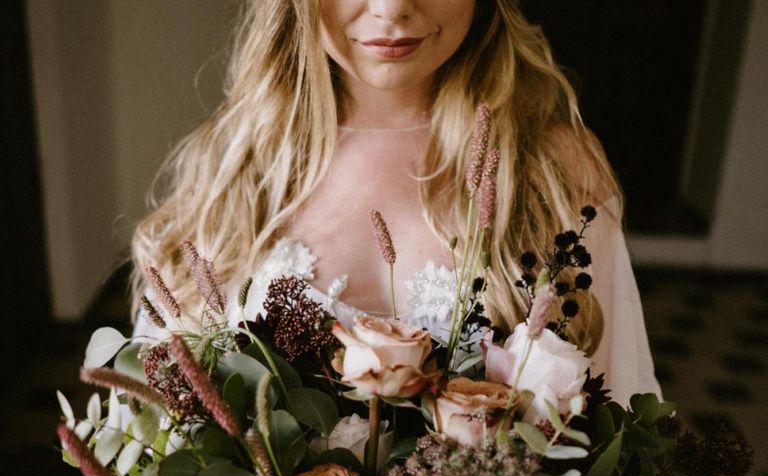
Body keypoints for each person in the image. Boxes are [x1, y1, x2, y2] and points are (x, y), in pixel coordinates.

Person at [131, 0, 660, 407]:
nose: (391, 8)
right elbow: (160, 418)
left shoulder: (554, 168)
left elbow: (612, 415)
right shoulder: (233, 166)